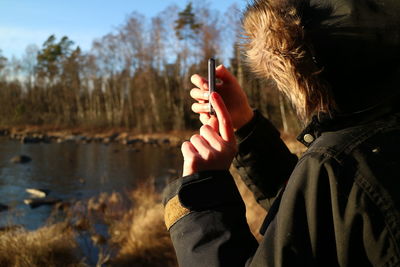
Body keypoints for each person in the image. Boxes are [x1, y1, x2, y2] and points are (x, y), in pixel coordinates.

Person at [163, 0, 400, 266]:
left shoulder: (339, 164)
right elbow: (315, 218)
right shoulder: (368, 148)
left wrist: (203, 196)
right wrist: (246, 126)